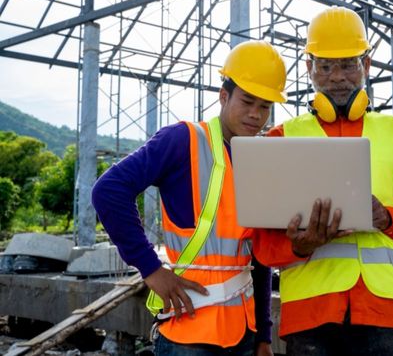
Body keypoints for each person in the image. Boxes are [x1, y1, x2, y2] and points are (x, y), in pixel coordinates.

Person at [253, 6, 393, 356]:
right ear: (309, 70)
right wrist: (301, 245)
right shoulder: (281, 138)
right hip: (312, 317)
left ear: (366, 66)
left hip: (385, 311)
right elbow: (262, 245)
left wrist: (386, 217)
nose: (337, 77)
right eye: (325, 66)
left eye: (349, 64)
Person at [92, 40, 288, 356]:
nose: (255, 115)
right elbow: (108, 191)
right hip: (190, 332)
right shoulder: (183, 140)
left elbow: (258, 256)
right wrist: (150, 269)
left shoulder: (256, 159)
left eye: (264, 107)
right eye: (247, 101)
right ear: (224, 96)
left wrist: (264, 335)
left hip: (244, 333)